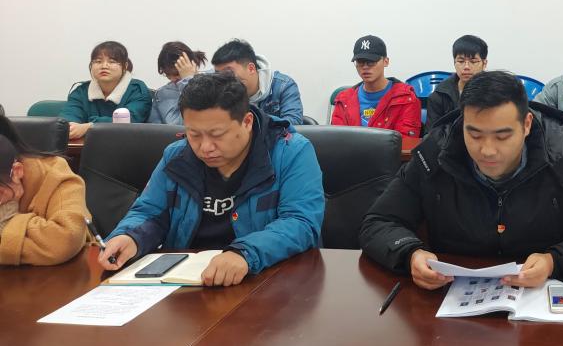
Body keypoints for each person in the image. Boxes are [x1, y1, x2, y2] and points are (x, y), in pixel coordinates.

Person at [359, 71, 563, 290]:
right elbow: (378, 222)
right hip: (451, 305)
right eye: (474, 134)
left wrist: (555, 261)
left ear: (526, 124)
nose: (487, 150)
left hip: (546, 305)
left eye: (502, 136)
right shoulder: (436, 152)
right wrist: (410, 253)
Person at [100, 72, 324, 286]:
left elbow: (300, 223)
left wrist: (245, 253)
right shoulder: (177, 155)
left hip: (265, 280)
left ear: (246, 122)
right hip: (185, 282)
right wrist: (130, 237)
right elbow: (150, 212)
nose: (205, 147)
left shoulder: (290, 152)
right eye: (194, 134)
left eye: (217, 135)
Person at [0, 110, 88, 266]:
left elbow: (65, 240)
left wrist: (7, 218)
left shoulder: (54, 173)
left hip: (64, 275)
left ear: (17, 171)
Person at [60, 40, 152, 140]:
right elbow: (67, 119)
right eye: (98, 61)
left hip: (127, 145)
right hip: (85, 147)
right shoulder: (81, 91)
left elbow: (130, 121)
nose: (104, 66)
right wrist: (71, 127)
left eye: (112, 62)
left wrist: (89, 126)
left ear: (125, 66)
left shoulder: (137, 90)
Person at [330, 35, 421, 137]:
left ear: (386, 61)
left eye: (371, 62)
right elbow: (337, 139)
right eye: (360, 62)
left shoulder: (406, 98)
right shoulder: (343, 100)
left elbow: (406, 141)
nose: (365, 67)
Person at [211, 39, 304, 125]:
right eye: (218, 74)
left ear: (251, 68)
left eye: (228, 72)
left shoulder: (283, 86)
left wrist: (255, 125)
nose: (223, 79)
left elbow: (293, 123)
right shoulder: (216, 85)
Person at [425, 35, 489, 133]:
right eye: (461, 61)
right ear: (454, 63)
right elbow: (431, 135)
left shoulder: (496, 92)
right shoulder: (439, 95)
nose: (466, 67)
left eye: (473, 61)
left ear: (484, 64)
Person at [149, 41, 208, 125]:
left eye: (177, 74)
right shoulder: (162, 94)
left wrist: (187, 81)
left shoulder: (211, 86)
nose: (172, 79)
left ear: (192, 65)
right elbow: (154, 128)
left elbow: (192, 121)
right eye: (167, 75)